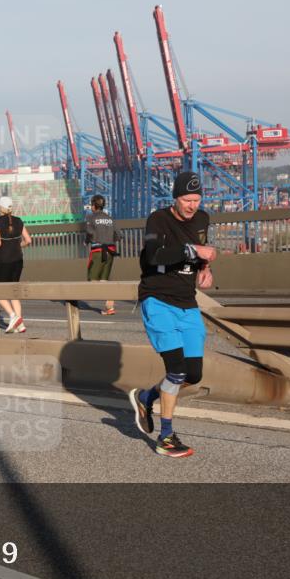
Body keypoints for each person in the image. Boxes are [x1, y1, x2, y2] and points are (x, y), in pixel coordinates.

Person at [128, 171, 216, 459]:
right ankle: (166, 437)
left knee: (193, 374)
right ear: (175, 198)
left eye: (197, 199)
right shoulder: (158, 219)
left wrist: (205, 269)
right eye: (186, 200)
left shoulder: (202, 219)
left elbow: (201, 256)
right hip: (158, 300)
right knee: (176, 371)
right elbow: (154, 255)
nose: (192, 205)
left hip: (187, 303)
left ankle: (146, 396)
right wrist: (192, 249)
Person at [0, 196, 31, 333]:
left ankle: (13, 316)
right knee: (14, 291)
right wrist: (19, 245)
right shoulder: (19, 221)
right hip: (18, 260)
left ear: (0, 208)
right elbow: (28, 240)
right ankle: (20, 323)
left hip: (4, 261)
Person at [84, 194, 121, 315]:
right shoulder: (109, 218)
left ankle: (108, 302)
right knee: (104, 279)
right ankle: (110, 307)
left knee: (92, 279)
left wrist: (88, 241)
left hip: (98, 251)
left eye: (91, 205)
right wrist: (109, 239)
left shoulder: (91, 217)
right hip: (110, 251)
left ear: (94, 206)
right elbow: (119, 235)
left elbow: (89, 232)